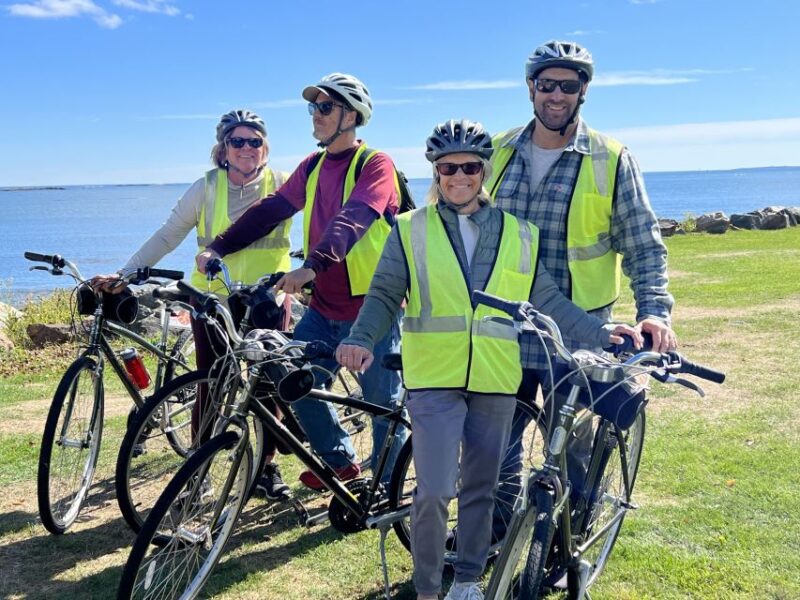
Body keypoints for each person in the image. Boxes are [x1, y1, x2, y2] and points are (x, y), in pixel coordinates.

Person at [336, 119, 641, 600]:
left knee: (483, 486)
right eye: (448, 168)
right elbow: (384, 293)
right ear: (435, 173)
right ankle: (427, 588)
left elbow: (548, 300)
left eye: (470, 167)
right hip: (434, 377)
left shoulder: (521, 234)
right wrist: (361, 338)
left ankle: (467, 580)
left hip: (496, 377)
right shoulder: (409, 229)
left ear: (484, 171)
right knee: (435, 490)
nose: (459, 177)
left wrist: (601, 332)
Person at [486, 40, 677, 540]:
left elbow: (643, 244)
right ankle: (498, 531)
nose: (556, 95)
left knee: (572, 446)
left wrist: (654, 310)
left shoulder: (611, 158)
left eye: (568, 86)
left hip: (579, 331)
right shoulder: (497, 151)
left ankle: (568, 540)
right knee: (495, 440)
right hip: (502, 328)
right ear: (530, 87)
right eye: (547, 84)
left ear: (583, 91)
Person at [196, 73, 407, 490]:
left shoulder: (376, 164)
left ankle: (388, 491)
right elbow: (271, 209)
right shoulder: (312, 166)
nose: (316, 115)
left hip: (373, 309)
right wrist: (218, 246)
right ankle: (340, 461)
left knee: (382, 405)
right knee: (295, 381)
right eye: (314, 107)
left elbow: (356, 217)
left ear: (351, 115)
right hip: (325, 306)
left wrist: (312, 265)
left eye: (325, 107)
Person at [91, 109, 293, 500]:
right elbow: (169, 235)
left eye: (254, 141)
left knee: (267, 385)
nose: (246, 148)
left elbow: (326, 216)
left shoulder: (283, 184)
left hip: (267, 298)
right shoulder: (206, 188)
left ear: (265, 147)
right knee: (211, 383)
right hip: (212, 299)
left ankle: (266, 468)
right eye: (237, 141)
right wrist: (125, 273)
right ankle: (198, 472)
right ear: (223, 148)